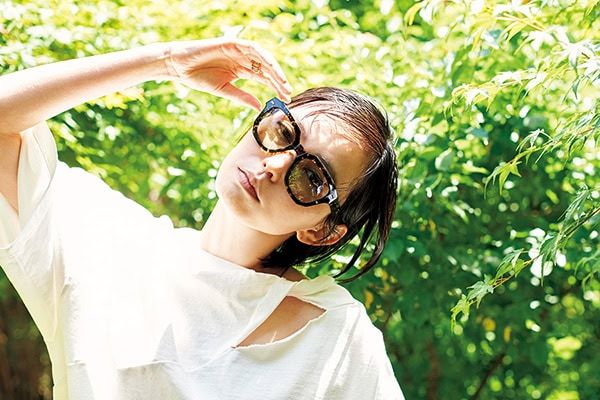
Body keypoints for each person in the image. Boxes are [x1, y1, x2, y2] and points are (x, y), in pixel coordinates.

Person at [0, 37, 404, 399]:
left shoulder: (338, 341)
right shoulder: (109, 242)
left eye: (313, 177)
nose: (275, 165)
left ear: (322, 231)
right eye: (283, 132)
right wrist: (166, 61)